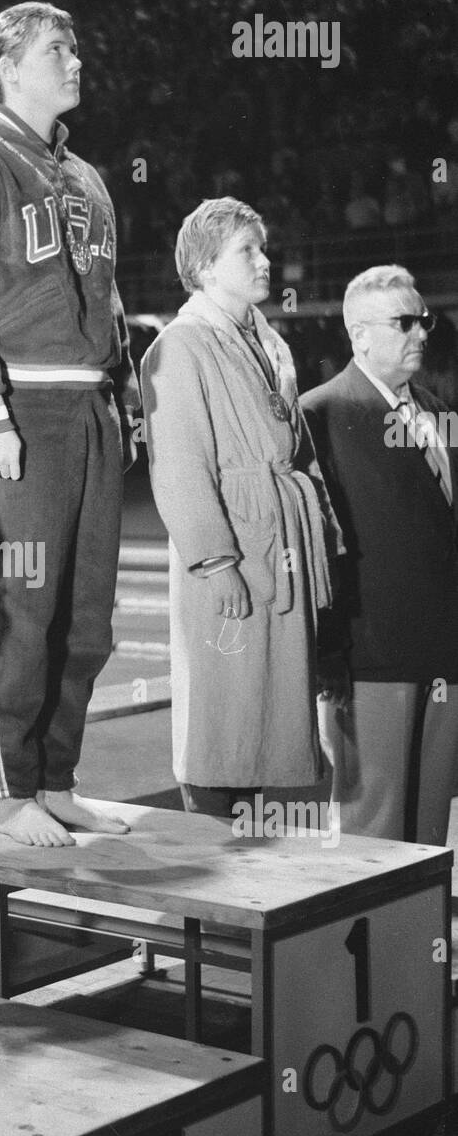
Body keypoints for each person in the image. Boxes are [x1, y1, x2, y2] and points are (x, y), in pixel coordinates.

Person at [0, 0, 139, 848]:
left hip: (85, 407)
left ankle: (55, 775)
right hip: (19, 408)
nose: (75, 61)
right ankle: (11, 790)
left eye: (76, 48)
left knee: (87, 614)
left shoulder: (86, 178)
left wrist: (116, 395)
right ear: (9, 68)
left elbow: (108, 298)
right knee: (19, 605)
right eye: (58, 50)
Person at [141, 197, 343, 819]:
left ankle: (269, 867)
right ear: (204, 268)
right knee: (226, 708)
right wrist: (213, 560)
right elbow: (178, 464)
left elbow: (298, 449)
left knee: (280, 708)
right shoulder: (178, 348)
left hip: (280, 536)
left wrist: (325, 530)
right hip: (233, 548)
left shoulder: (268, 341)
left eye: (262, 247)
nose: (265, 260)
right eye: (246, 251)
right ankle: (216, 852)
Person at [301, 265, 458, 847]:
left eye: (425, 320)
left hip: (443, 653)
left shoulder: (439, 411)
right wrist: (328, 657)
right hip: (371, 659)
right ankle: (366, 943)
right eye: (405, 322)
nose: (421, 333)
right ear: (359, 334)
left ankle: (421, 943)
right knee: (373, 835)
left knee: (430, 831)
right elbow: (319, 546)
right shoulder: (320, 413)